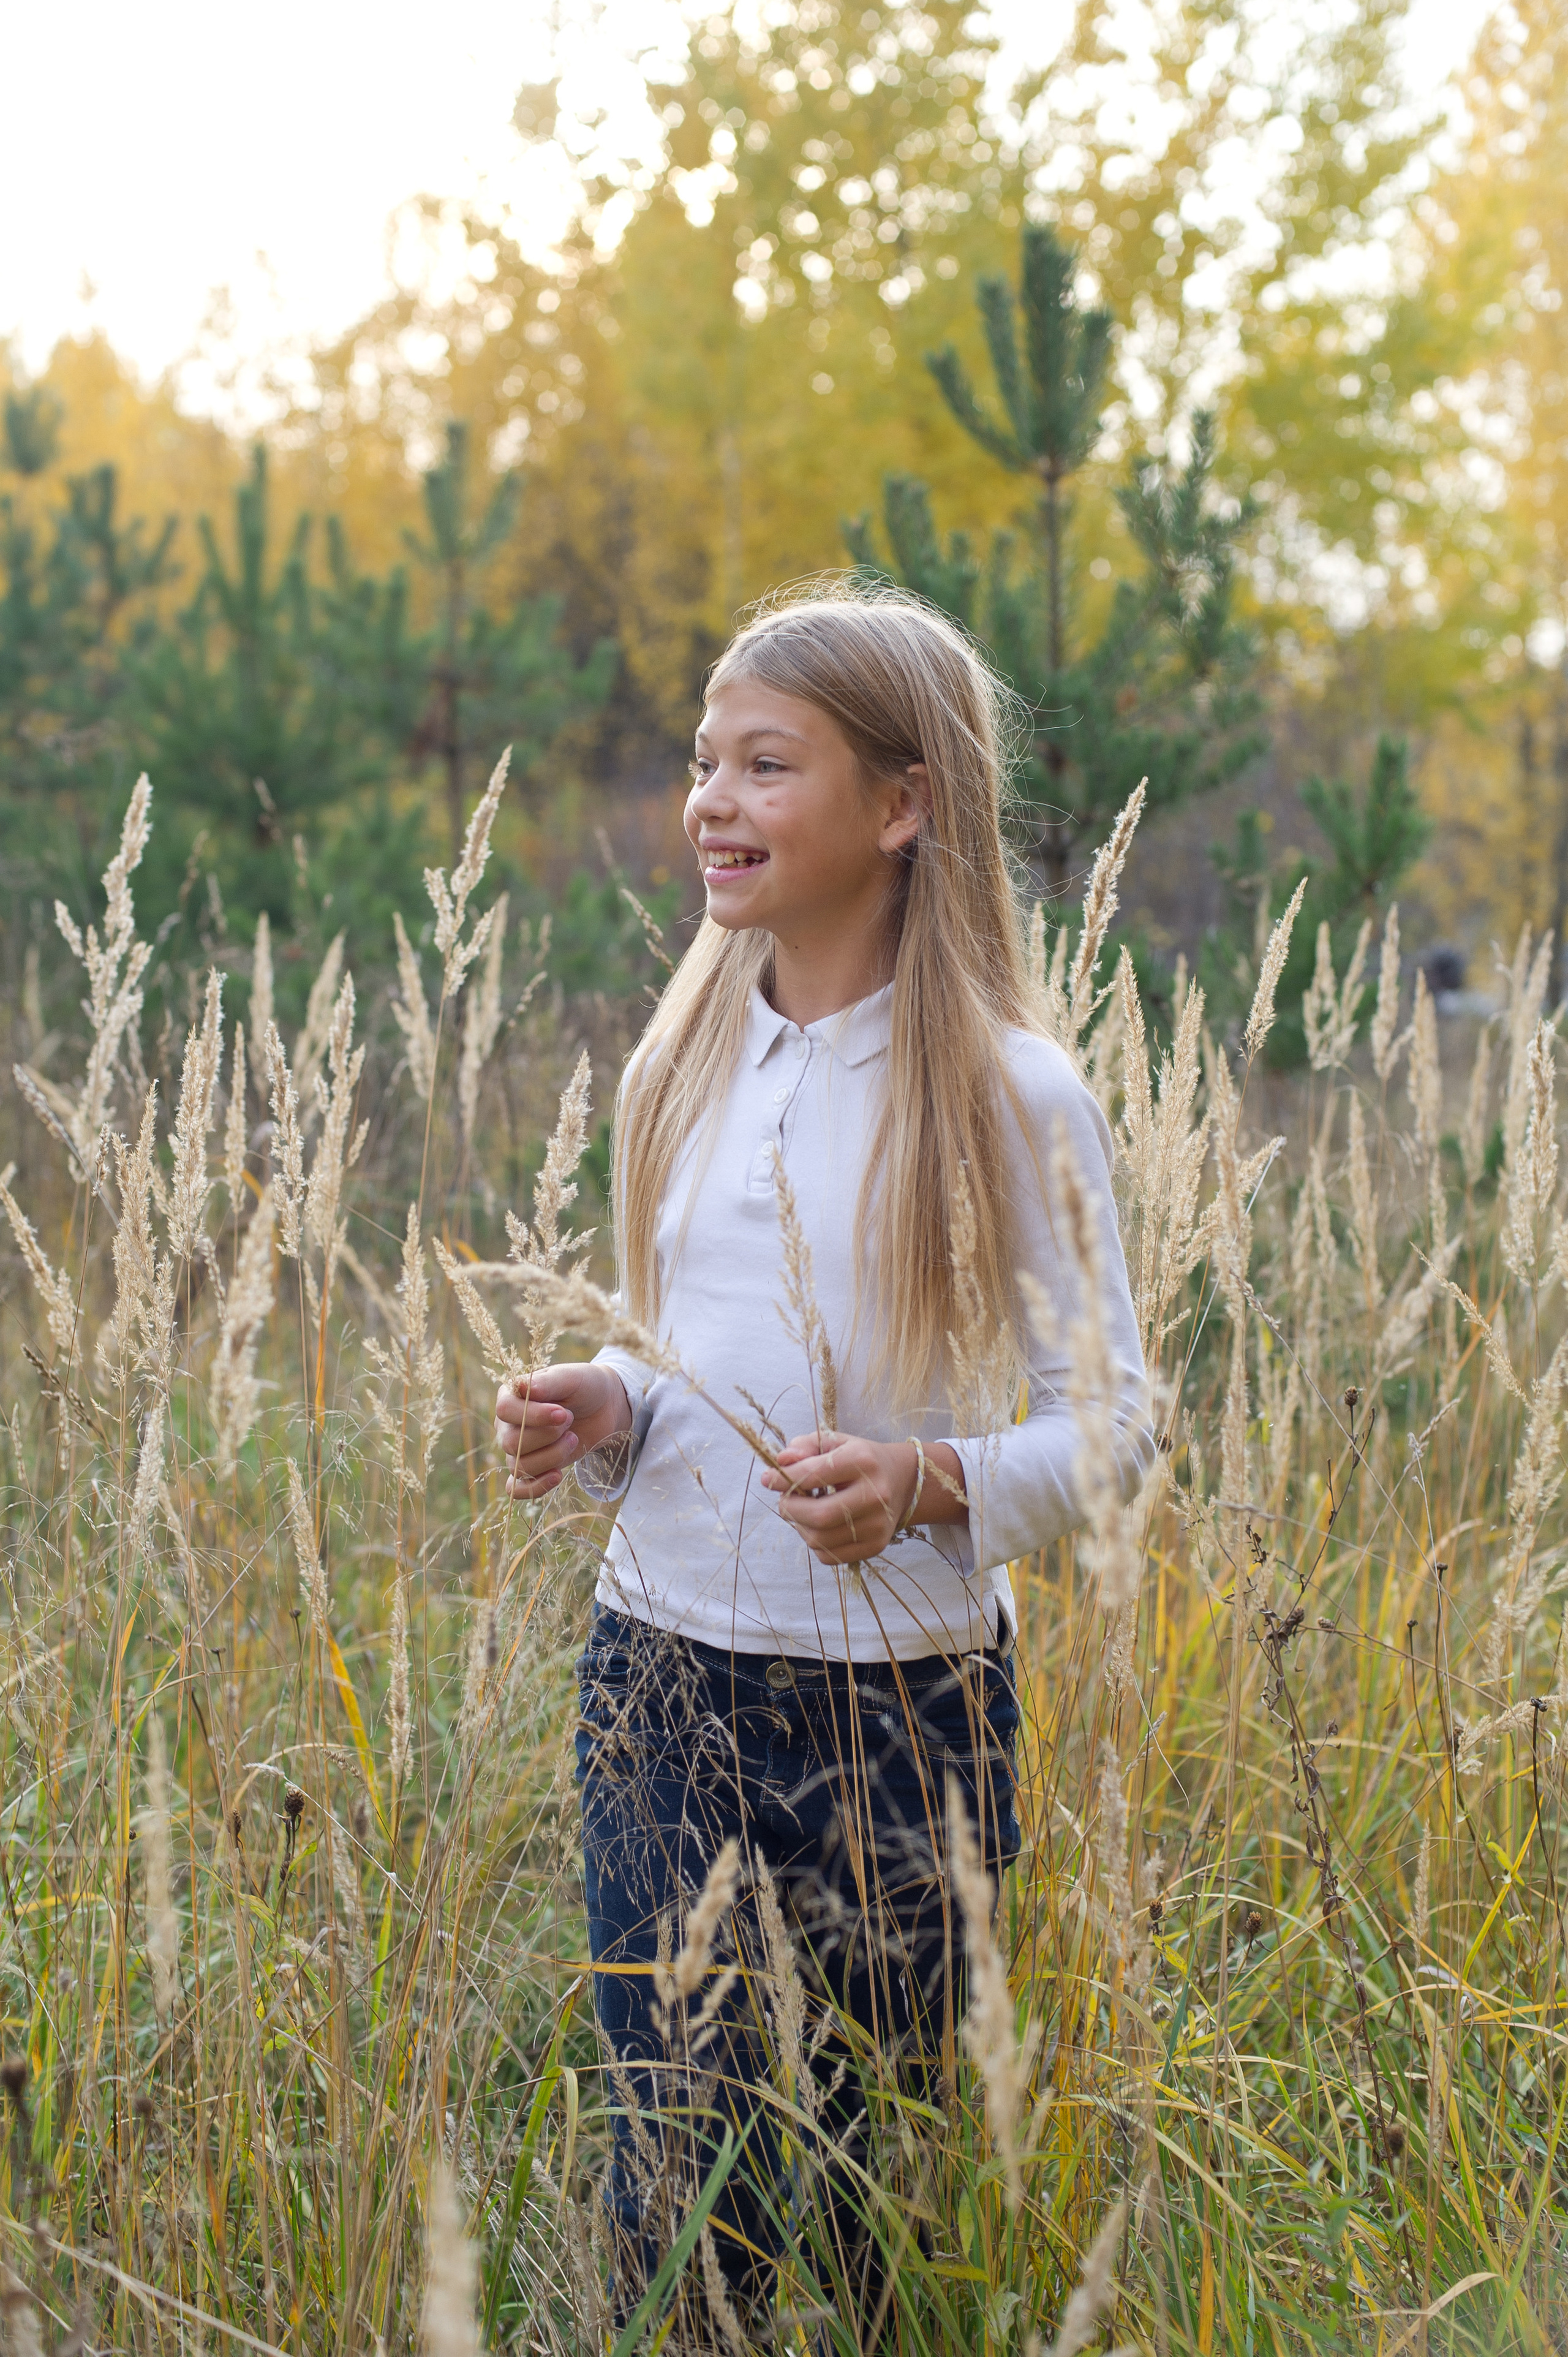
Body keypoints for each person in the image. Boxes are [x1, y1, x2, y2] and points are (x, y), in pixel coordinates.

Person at [494, 585, 1152, 2332]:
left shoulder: (1015, 1096)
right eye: (703, 760)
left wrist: (932, 1482)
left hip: (899, 1721)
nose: (711, 798)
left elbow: (1123, 1431)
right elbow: (681, 1364)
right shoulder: (677, 1063)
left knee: (858, 2213)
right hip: (654, 1685)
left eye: (766, 764)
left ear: (904, 802)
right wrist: (609, 1413)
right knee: (678, 2197)